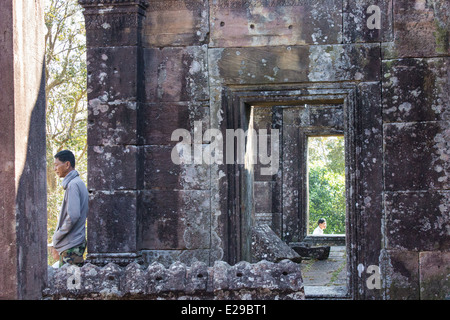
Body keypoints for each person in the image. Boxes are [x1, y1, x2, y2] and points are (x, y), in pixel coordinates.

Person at [51, 150, 88, 267]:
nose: (55, 169)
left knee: (71, 283)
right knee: (72, 282)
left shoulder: (73, 185)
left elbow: (73, 216)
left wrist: (57, 236)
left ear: (67, 164)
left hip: (72, 245)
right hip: (73, 243)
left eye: (57, 165)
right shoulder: (76, 183)